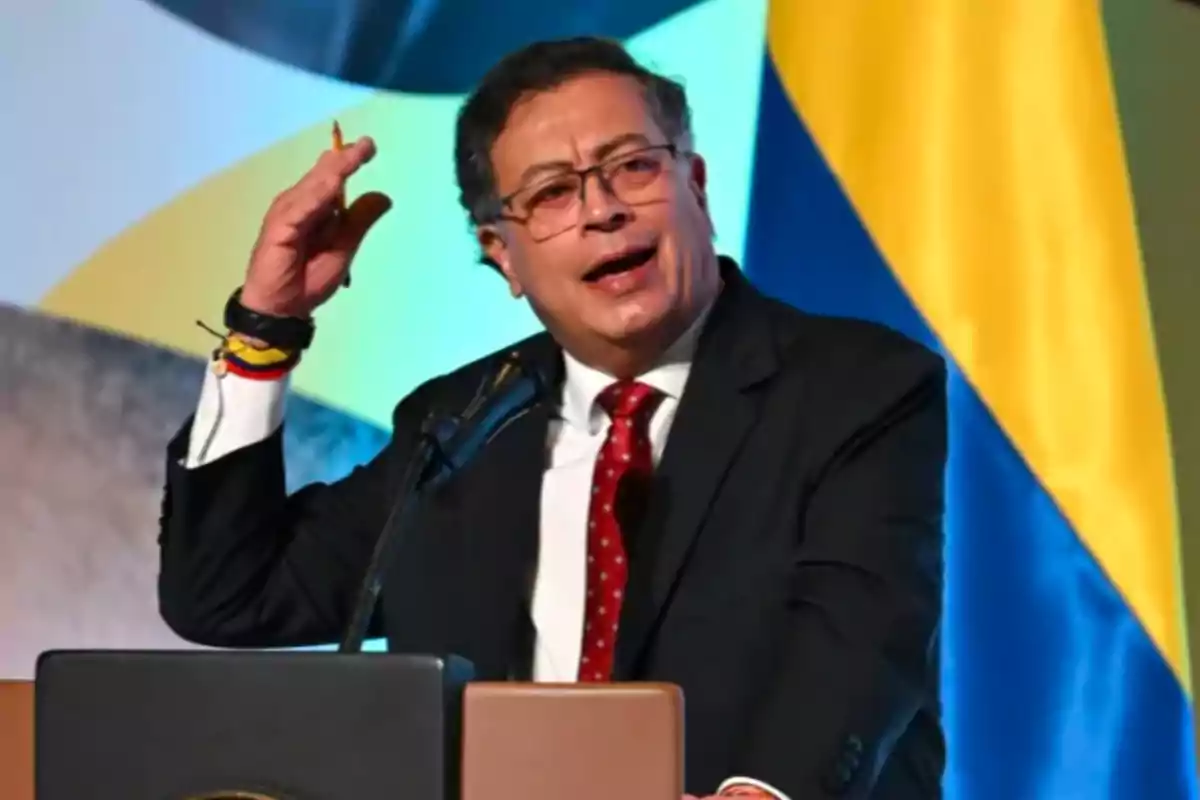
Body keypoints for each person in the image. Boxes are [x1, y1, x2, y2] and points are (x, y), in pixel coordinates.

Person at [158, 37, 947, 799]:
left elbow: (861, 635)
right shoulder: (461, 424)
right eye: (551, 193)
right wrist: (264, 328)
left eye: (633, 166)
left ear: (697, 187)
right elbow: (230, 594)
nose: (602, 209)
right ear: (502, 254)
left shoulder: (854, 387)